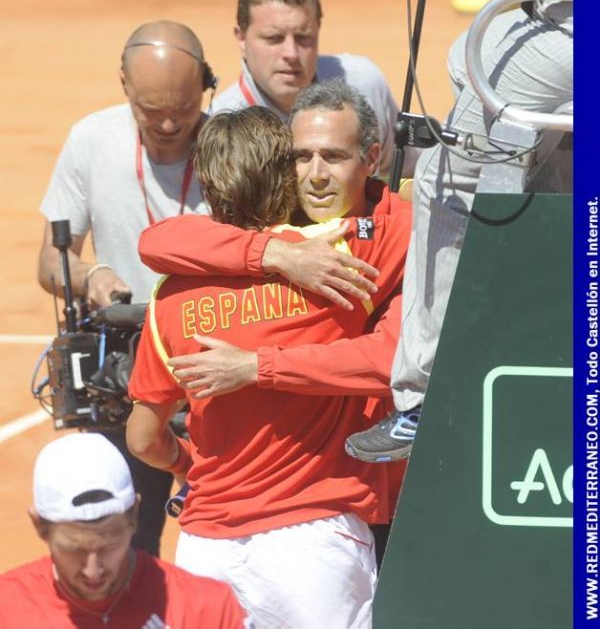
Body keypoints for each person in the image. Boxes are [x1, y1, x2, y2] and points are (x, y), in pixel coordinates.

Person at [127, 99, 412, 628]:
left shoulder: (170, 293)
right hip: (313, 540)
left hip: (203, 544)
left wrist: (188, 466)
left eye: (332, 157)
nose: (316, 174)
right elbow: (393, 357)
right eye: (302, 159)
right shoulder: (340, 255)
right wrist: (278, 256)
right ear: (284, 173)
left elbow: (144, 438)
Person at [345, 0, 573, 462]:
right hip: (564, 10)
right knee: (464, 56)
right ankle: (547, 288)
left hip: (574, 22)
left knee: (441, 181)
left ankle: (421, 396)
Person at [36, 20, 216, 555]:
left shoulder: (230, 146)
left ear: (207, 84)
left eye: (182, 111)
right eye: (149, 110)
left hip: (214, 371)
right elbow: (50, 258)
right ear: (123, 84)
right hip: (126, 380)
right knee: (125, 546)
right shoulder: (91, 138)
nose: (166, 123)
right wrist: (91, 275)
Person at [0, 432, 250, 628]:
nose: (93, 570)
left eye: (109, 546)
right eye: (74, 550)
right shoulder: (5, 611)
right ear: (40, 526)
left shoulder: (207, 609)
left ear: (134, 516)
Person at [210, 0, 417, 181]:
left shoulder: (363, 83)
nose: (291, 53)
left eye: (303, 37)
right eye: (273, 38)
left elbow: (408, 174)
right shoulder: (223, 125)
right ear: (241, 39)